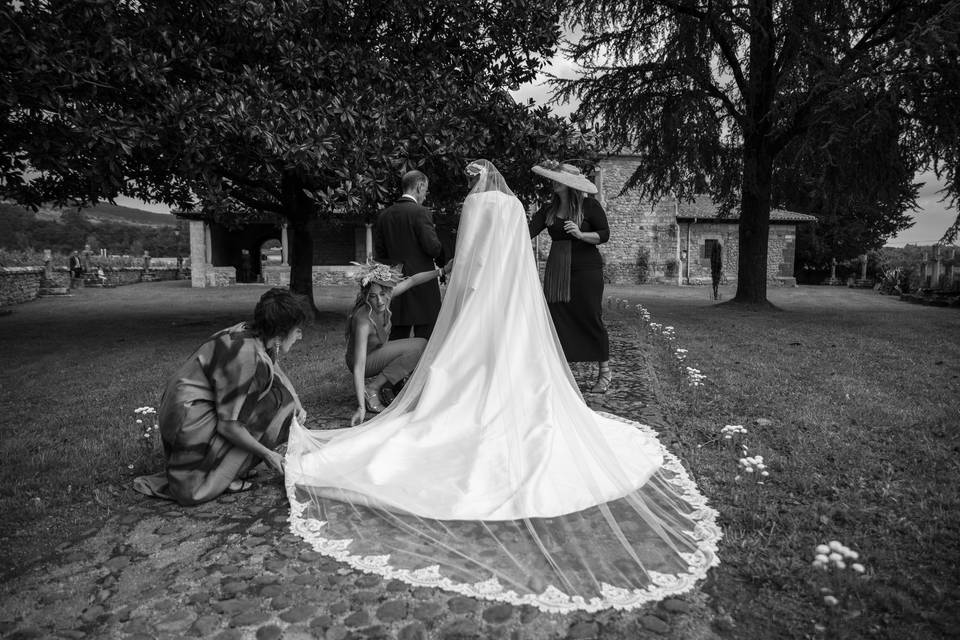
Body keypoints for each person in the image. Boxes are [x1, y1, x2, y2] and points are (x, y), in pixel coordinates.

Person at [284, 160, 719, 613]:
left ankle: (437, 396)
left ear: (476, 181)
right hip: (513, 295)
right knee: (508, 354)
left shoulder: (474, 205)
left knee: (457, 357)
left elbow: (470, 256)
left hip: (481, 293)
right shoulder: (513, 208)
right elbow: (515, 250)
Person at [134, 288, 310, 506]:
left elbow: (278, 372)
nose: (299, 336)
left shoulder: (253, 333)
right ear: (280, 335)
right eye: (297, 331)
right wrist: (267, 454)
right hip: (188, 420)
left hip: (188, 407)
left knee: (285, 402)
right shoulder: (248, 357)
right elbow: (228, 427)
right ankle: (220, 475)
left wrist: (298, 405)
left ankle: (225, 466)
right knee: (276, 409)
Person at [529, 161, 612, 393]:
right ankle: (561, 372)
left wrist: (581, 234)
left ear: (570, 185)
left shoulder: (590, 206)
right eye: (554, 179)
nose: (554, 182)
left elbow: (604, 235)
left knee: (590, 315)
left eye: (559, 179)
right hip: (557, 269)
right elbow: (526, 232)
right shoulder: (548, 209)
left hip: (586, 269)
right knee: (558, 317)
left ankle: (605, 372)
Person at [346, 259, 453, 425]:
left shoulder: (386, 298)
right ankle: (372, 388)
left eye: (383, 294)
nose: (380, 301)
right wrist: (360, 407)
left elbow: (412, 280)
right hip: (362, 361)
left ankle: (388, 383)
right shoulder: (363, 321)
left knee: (421, 345)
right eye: (373, 296)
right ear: (366, 296)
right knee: (417, 348)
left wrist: (442, 271)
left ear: (388, 291)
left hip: (376, 351)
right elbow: (358, 366)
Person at [373, 170, 444, 340]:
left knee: (398, 334)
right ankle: (422, 367)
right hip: (423, 283)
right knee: (426, 336)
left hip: (395, 282)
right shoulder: (421, 212)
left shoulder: (384, 216)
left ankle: (396, 366)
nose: (425, 196)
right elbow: (433, 248)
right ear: (419, 186)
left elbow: (380, 254)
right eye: (425, 190)